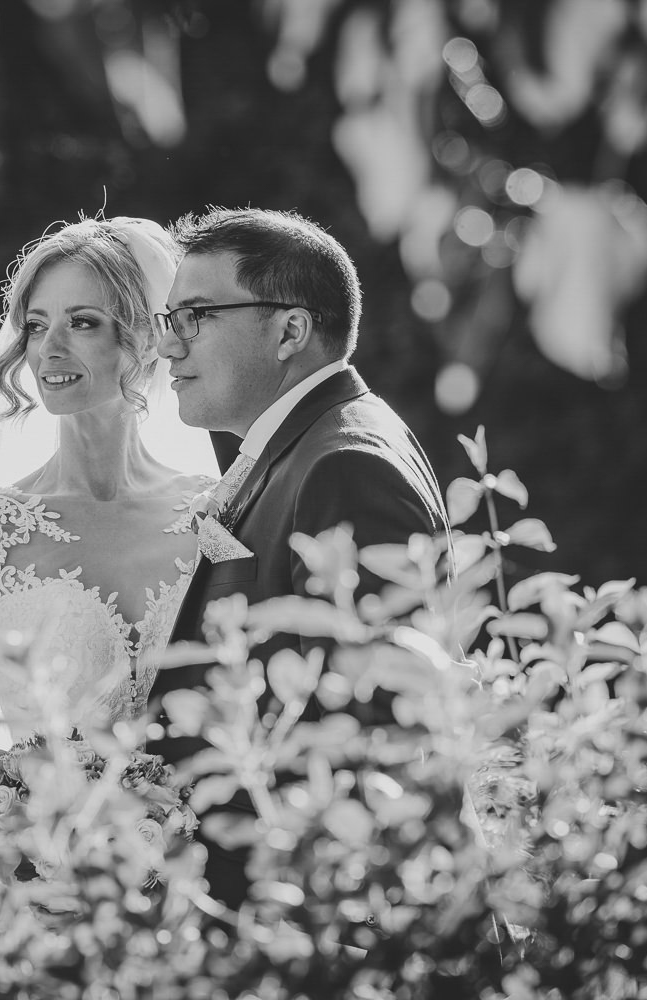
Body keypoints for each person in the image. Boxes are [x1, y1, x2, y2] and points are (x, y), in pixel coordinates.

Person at [0, 216, 219, 998]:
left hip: (198, 889)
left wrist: (165, 854)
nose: (50, 351)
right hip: (36, 908)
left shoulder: (218, 519)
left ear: (143, 340)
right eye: (36, 325)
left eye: (84, 323)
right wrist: (32, 862)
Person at [145, 206, 451, 908]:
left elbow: (380, 729)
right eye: (170, 321)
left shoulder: (344, 465)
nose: (170, 347)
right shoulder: (307, 446)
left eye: (196, 316)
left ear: (291, 330)